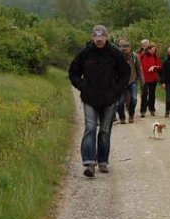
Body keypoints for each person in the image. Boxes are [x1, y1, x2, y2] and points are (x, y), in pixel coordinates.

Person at [68, 25, 129, 178]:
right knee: (90, 128)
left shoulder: (115, 53)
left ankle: (102, 161)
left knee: (104, 131)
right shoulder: (85, 53)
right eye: (97, 38)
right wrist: (82, 86)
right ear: (92, 37)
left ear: (106, 37)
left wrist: (116, 90)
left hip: (109, 98)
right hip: (89, 98)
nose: (99, 41)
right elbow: (73, 72)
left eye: (102, 38)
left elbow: (125, 73)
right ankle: (89, 163)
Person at [114, 38, 143, 124]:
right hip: (120, 82)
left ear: (130, 48)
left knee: (134, 99)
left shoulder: (135, 57)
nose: (125, 50)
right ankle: (122, 117)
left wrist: (142, 80)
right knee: (120, 102)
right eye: (123, 48)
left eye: (126, 48)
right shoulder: (117, 57)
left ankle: (131, 115)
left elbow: (139, 69)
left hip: (132, 81)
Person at [139, 41, 162, 118]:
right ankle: (143, 110)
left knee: (152, 94)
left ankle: (152, 109)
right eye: (152, 49)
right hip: (144, 78)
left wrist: (155, 67)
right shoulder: (142, 56)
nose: (153, 51)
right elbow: (139, 66)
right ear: (148, 49)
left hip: (153, 78)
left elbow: (160, 67)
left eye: (155, 50)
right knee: (144, 94)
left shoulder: (156, 57)